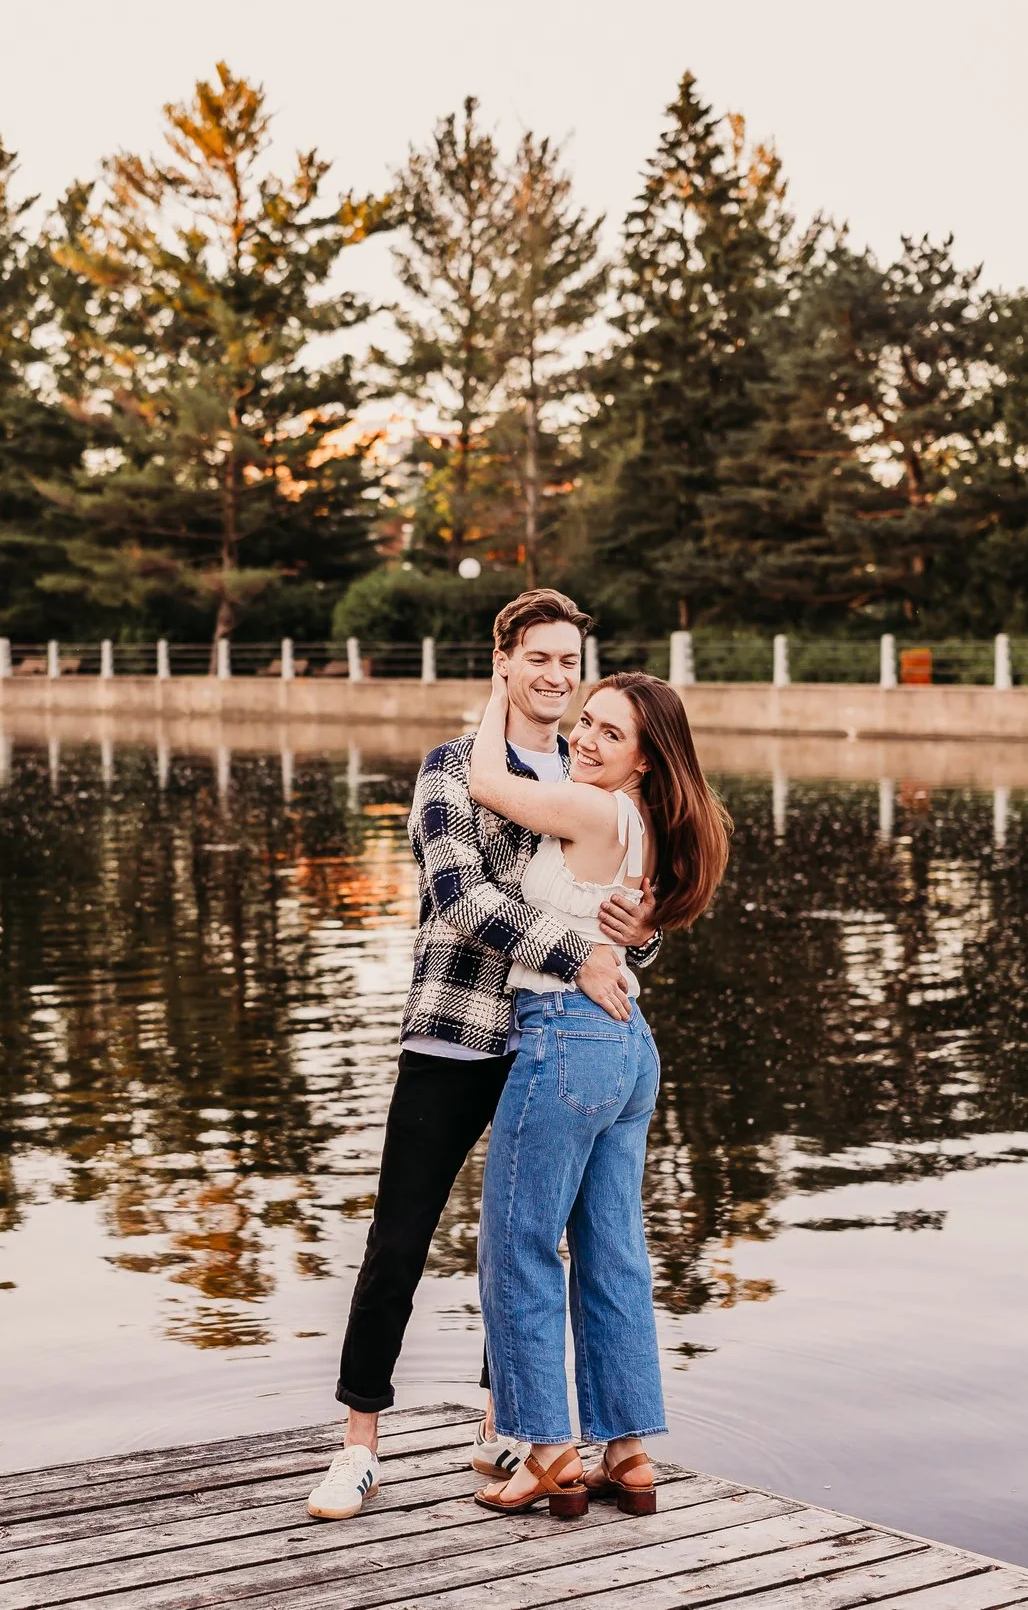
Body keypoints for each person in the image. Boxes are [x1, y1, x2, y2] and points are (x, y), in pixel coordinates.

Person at [306, 590, 661, 1523]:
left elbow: (620, 906)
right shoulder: (450, 768)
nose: (555, 676)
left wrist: (638, 936)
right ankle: (358, 1443)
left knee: (530, 1239)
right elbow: (460, 897)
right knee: (400, 1238)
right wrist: (576, 950)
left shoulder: (593, 771)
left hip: (551, 1040)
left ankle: (512, 1424)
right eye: (538, 657)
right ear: (501, 661)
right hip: (456, 1033)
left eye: (568, 661)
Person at [463, 670, 729, 1518]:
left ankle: (548, 1449)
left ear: (646, 760)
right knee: (611, 1251)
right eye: (587, 722)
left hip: (563, 1035)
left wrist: (503, 684)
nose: (585, 738)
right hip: (625, 1048)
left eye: (611, 733)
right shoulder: (641, 823)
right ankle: (628, 1449)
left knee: (518, 1246)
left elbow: (484, 781)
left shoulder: (594, 809)